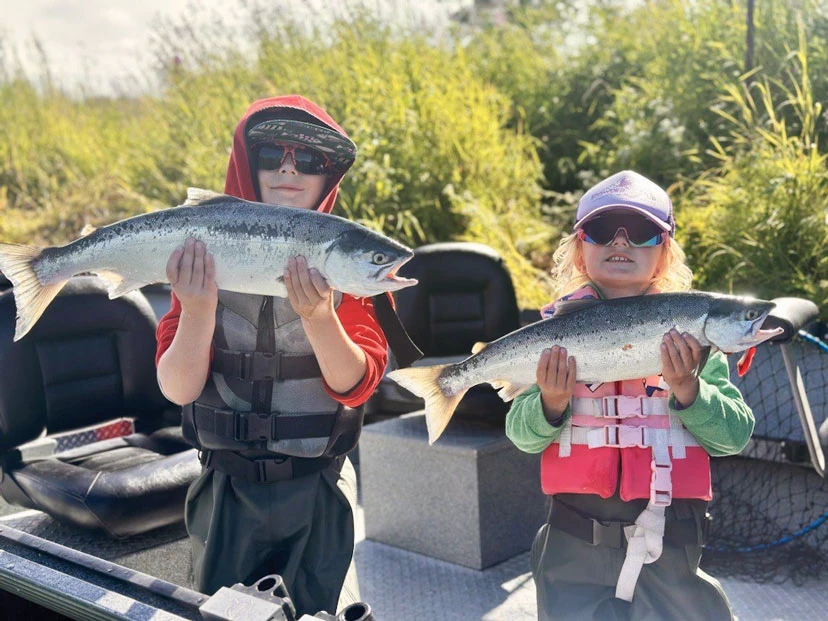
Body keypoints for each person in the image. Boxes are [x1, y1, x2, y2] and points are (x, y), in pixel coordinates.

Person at [155, 95, 387, 616]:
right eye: (272, 156)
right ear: (246, 163)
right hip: (225, 492)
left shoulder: (348, 266)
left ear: (328, 177)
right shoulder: (199, 259)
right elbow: (178, 388)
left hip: (319, 491)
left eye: (308, 160)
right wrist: (196, 311)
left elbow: (360, 382)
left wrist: (321, 318)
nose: (288, 168)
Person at [506, 170, 754, 620]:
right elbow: (522, 437)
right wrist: (551, 404)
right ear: (580, 248)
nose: (620, 242)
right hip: (570, 545)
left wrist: (689, 391)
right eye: (603, 231)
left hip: (672, 544)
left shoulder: (696, 339)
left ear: (663, 254)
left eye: (640, 232)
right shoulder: (550, 338)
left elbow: (734, 437)